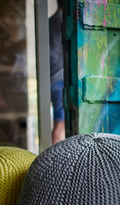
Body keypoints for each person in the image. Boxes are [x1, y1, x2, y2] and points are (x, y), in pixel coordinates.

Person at [49, 0, 65, 144]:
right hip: (60, 80)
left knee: (60, 123)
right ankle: (56, 164)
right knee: (61, 124)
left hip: (54, 79)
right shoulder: (63, 23)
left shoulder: (49, 23)